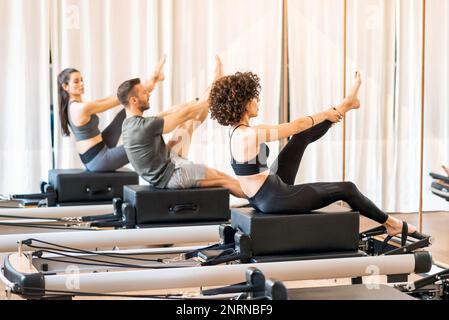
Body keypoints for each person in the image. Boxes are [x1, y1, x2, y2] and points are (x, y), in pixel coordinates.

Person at [209, 69, 417, 237]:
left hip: (264, 192)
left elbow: (298, 132)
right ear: (242, 102)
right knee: (347, 189)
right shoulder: (251, 134)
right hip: (274, 198)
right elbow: (297, 124)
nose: (258, 101)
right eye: (254, 97)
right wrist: (325, 114)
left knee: (300, 139)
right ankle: (392, 224)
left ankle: (346, 104)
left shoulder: (236, 132)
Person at [119, 58, 246, 198]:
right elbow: (184, 113)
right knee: (224, 179)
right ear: (134, 100)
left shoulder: (129, 124)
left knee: (191, 121)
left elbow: (172, 111)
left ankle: (216, 82)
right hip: (172, 176)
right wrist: (216, 89)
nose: (148, 94)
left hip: (166, 164)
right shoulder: (145, 126)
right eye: (144, 92)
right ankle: (259, 198)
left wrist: (208, 93)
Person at [57, 57, 166, 172]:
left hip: (99, 147)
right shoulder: (79, 108)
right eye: (76, 81)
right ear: (65, 86)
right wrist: (147, 85)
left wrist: (149, 84)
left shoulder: (78, 105)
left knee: (126, 110)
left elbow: (107, 99)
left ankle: (141, 125)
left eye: (82, 80)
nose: (82, 83)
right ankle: (167, 167)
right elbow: (117, 100)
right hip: (97, 160)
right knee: (141, 143)